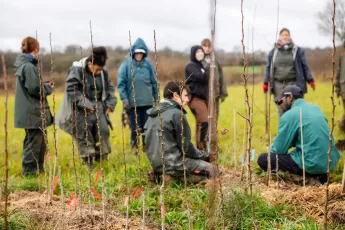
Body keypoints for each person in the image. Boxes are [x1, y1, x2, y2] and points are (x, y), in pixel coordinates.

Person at [257, 85, 340, 183]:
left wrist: (270, 148)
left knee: (264, 159)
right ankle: (321, 177)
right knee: (295, 154)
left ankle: (307, 180)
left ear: (290, 97)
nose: (280, 105)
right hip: (329, 163)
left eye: (280, 101)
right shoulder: (316, 108)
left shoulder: (289, 115)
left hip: (311, 164)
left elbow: (278, 150)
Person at [57, 47, 117, 166]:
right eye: (97, 69)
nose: (99, 72)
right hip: (80, 109)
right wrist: (86, 104)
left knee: (103, 131)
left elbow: (110, 89)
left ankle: (102, 160)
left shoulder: (104, 72)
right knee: (84, 134)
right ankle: (88, 161)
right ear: (90, 64)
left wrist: (110, 105)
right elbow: (72, 90)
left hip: (100, 107)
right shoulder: (76, 70)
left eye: (101, 69)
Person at [144, 81, 213, 183]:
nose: (188, 99)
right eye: (185, 95)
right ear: (175, 95)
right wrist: (204, 156)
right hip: (175, 164)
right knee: (215, 171)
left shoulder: (152, 114)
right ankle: (172, 179)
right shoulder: (177, 114)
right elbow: (186, 148)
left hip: (157, 165)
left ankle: (161, 176)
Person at [14, 37, 54, 176]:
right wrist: (48, 88)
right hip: (33, 114)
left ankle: (37, 173)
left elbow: (33, 86)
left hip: (32, 113)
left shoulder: (26, 65)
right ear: (36, 48)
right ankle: (30, 175)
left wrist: (44, 86)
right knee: (34, 146)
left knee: (38, 144)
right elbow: (35, 89)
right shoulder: (29, 66)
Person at [263, 28, 316, 117]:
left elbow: (304, 66)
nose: (285, 36)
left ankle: (297, 129)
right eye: (283, 35)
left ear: (290, 36)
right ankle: (284, 129)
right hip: (278, 85)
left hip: (294, 84)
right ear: (280, 37)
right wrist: (265, 82)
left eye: (287, 34)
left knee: (295, 109)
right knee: (281, 110)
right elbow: (268, 68)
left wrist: (310, 79)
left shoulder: (298, 51)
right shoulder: (273, 52)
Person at [117, 38, 158, 149]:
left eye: (141, 53)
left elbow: (154, 83)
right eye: (137, 52)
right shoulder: (125, 66)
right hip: (132, 104)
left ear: (144, 53)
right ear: (133, 52)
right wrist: (125, 99)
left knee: (147, 126)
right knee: (135, 128)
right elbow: (121, 84)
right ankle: (134, 147)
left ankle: (146, 146)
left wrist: (157, 99)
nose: (139, 55)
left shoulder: (148, 65)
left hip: (147, 103)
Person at [185, 45, 209, 150]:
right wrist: (208, 67)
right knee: (204, 122)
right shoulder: (190, 66)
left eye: (201, 51)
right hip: (195, 98)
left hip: (204, 98)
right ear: (193, 54)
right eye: (197, 52)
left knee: (201, 123)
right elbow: (202, 78)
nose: (200, 54)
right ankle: (201, 148)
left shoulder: (201, 66)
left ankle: (201, 148)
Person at [201, 38, 228, 118]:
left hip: (215, 94)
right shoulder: (199, 60)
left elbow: (221, 77)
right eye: (205, 46)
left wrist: (223, 93)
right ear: (201, 47)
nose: (207, 48)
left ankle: (214, 130)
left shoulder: (215, 60)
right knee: (204, 120)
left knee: (215, 118)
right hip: (203, 95)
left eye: (209, 46)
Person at [336, 50, 345, 132]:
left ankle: (342, 127)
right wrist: (338, 89)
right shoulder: (342, 57)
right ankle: (341, 127)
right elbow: (338, 73)